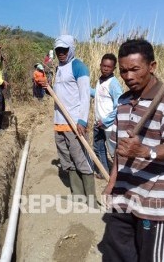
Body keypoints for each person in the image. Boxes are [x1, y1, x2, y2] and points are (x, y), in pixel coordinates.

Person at [101, 39, 164, 261]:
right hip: (123, 195)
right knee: (116, 254)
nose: (128, 76)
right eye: (123, 71)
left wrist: (144, 151)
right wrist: (111, 184)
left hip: (154, 200)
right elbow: (119, 150)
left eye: (134, 69)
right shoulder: (122, 101)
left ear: (152, 66)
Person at [50, 34, 96, 206]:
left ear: (71, 49)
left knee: (81, 159)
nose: (61, 53)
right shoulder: (58, 68)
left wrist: (82, 121)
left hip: (74, 123)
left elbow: (85, 97)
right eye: (58, 50)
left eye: (64, 50)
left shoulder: (78, 67)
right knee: (67, 160)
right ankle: (78, 196)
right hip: (59, 122)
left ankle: (91, 200)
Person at [90, 53, 123, 178]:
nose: (105, 68)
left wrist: (106, 121)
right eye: (104, 66)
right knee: (98, 148)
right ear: (100, 65)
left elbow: (119, 105)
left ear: (114, 69)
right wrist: (85, 89)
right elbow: (97, 94)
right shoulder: (100, 80)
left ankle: (118, 176)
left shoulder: (113, 84)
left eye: (109, 67)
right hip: (98, 123)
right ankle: (104, 172)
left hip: (109, 126)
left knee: (113, 152)